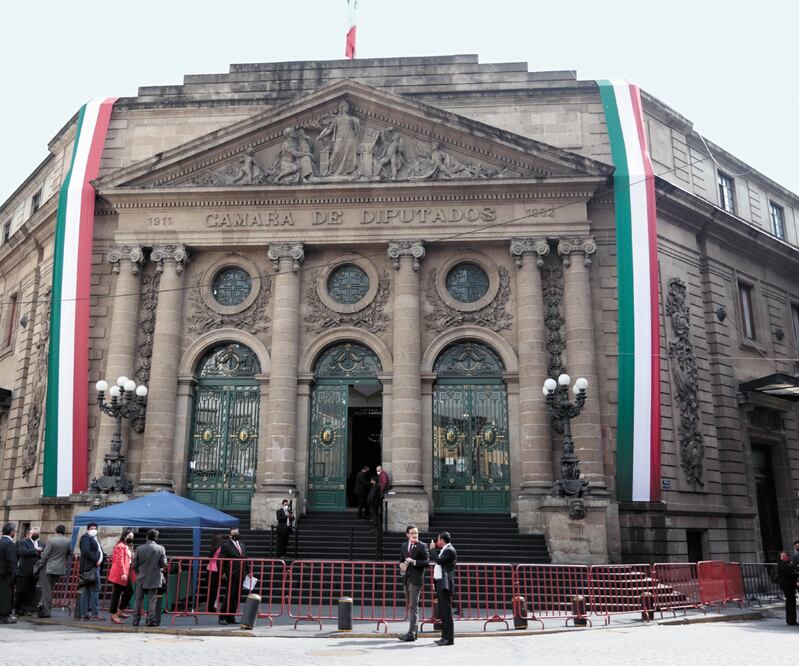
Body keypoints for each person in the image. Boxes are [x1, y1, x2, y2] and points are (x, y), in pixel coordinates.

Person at [398, 524, 429, 642]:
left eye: (416, 533)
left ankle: (411, 633)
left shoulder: (422, 546)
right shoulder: (404, 545)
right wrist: (400, 565)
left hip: (416, 580)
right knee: (411, 606)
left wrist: (414, 562)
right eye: (412, 533)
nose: (414, 535)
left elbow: (426, 562)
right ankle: (414, 633)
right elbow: (401, 560)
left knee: (413, 606)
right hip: (406, 578)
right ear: (407, 535)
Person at [131, 529, 167, 627]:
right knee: (152, 600)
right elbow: (163, 564)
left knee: (138, 599)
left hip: (141, 577)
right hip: (154, 577)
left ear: (147, 537)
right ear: (156, 537)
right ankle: (150, 620)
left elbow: (134, 564)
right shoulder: (161, 549)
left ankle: (135, 620)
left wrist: (139, 573)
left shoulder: (139, 548)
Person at [429, 531, 458, 645]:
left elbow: (438, 561)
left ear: (442, 540)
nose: (436, 541)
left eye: (438, 539)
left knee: (446, 612)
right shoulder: (445, 550)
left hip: (445, 585)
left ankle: (449, 638)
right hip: (440, 583)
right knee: (443, 612)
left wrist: (432, 549)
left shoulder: (449, 550)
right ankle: (444, 637)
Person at [36, 524, 71, 618]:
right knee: (49, 589)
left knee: (46, 590)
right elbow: (69, 553)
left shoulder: (51, 540)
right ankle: (41, 606)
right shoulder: (68, 541)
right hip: (59, 568)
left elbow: (45, 555)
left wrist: (38, 565)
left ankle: (46, 612)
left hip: (48, 568)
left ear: (56, 531)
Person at [218, 527, 250, 624]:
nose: (236, 535)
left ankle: (231, 617)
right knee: (229, 596)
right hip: (231, 574)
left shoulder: (242, 545)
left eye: (237, 533)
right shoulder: (226, 545)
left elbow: (245, 558)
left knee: (236, 597)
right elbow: (220, 560)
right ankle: (222, 617)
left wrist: (249, 572)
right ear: (230, 535)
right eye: (234, 533)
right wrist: (223, 572)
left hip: (241, 574)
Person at [108, 529, 136, 624]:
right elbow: (119, 561)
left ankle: (120, 610)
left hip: (126, 573)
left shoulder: (127, 547)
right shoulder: (120, 546)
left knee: (129, 591)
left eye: (132, 537)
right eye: (129, 536)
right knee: (117, 594)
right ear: (124, 536)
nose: (131, 538)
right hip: (120, 573)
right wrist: (123, 573)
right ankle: (114, 614)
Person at [78, 522, 104, 621]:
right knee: (94, 590)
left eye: (95, 528)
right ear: (88, 529)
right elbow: (86, 551)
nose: (94, 530)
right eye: (92, 528)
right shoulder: (85, 538)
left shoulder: (94, 539)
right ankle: (94, 614)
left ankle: (85, 614)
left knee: (88, 591)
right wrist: (96, 560)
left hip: (92, 568)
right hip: (90, 568)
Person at [15, 526, 41, 615]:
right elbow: (22, 552)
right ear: (30, 534)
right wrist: (35, 550)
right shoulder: (23, 542)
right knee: (21, 591)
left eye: (38, 534)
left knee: (31, 591)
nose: (37, 535)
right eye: (35, 533)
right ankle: (16, 608)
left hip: (34, 572)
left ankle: (27, 609)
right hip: (23, 570)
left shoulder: (40, 543)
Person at [0, 523, 18, 624]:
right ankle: (3, 617)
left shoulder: (1, 541)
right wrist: (14, 572)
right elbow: (11, 560)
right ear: (11, 532)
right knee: (6, 596)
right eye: (14, 531)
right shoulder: (9, 543)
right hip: (6, 574)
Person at [776, 551, 798, 625]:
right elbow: (789, 573)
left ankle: (791, 620)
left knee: (791, 602)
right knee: (791, 602)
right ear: (780, 557)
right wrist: (796, 574)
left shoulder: (786, 563)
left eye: (785, 555)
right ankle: (791, 620)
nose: (785, 556)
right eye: (783, 555)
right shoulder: (782, 564)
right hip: (787, 585)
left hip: (789, 585)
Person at [205, 533, 224, 613]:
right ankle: (211, 606)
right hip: (216, 569)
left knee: (211, 589)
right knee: (214, 589)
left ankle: (210, 605)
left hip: (209, 568)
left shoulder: (212, 548)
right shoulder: (220, 548)